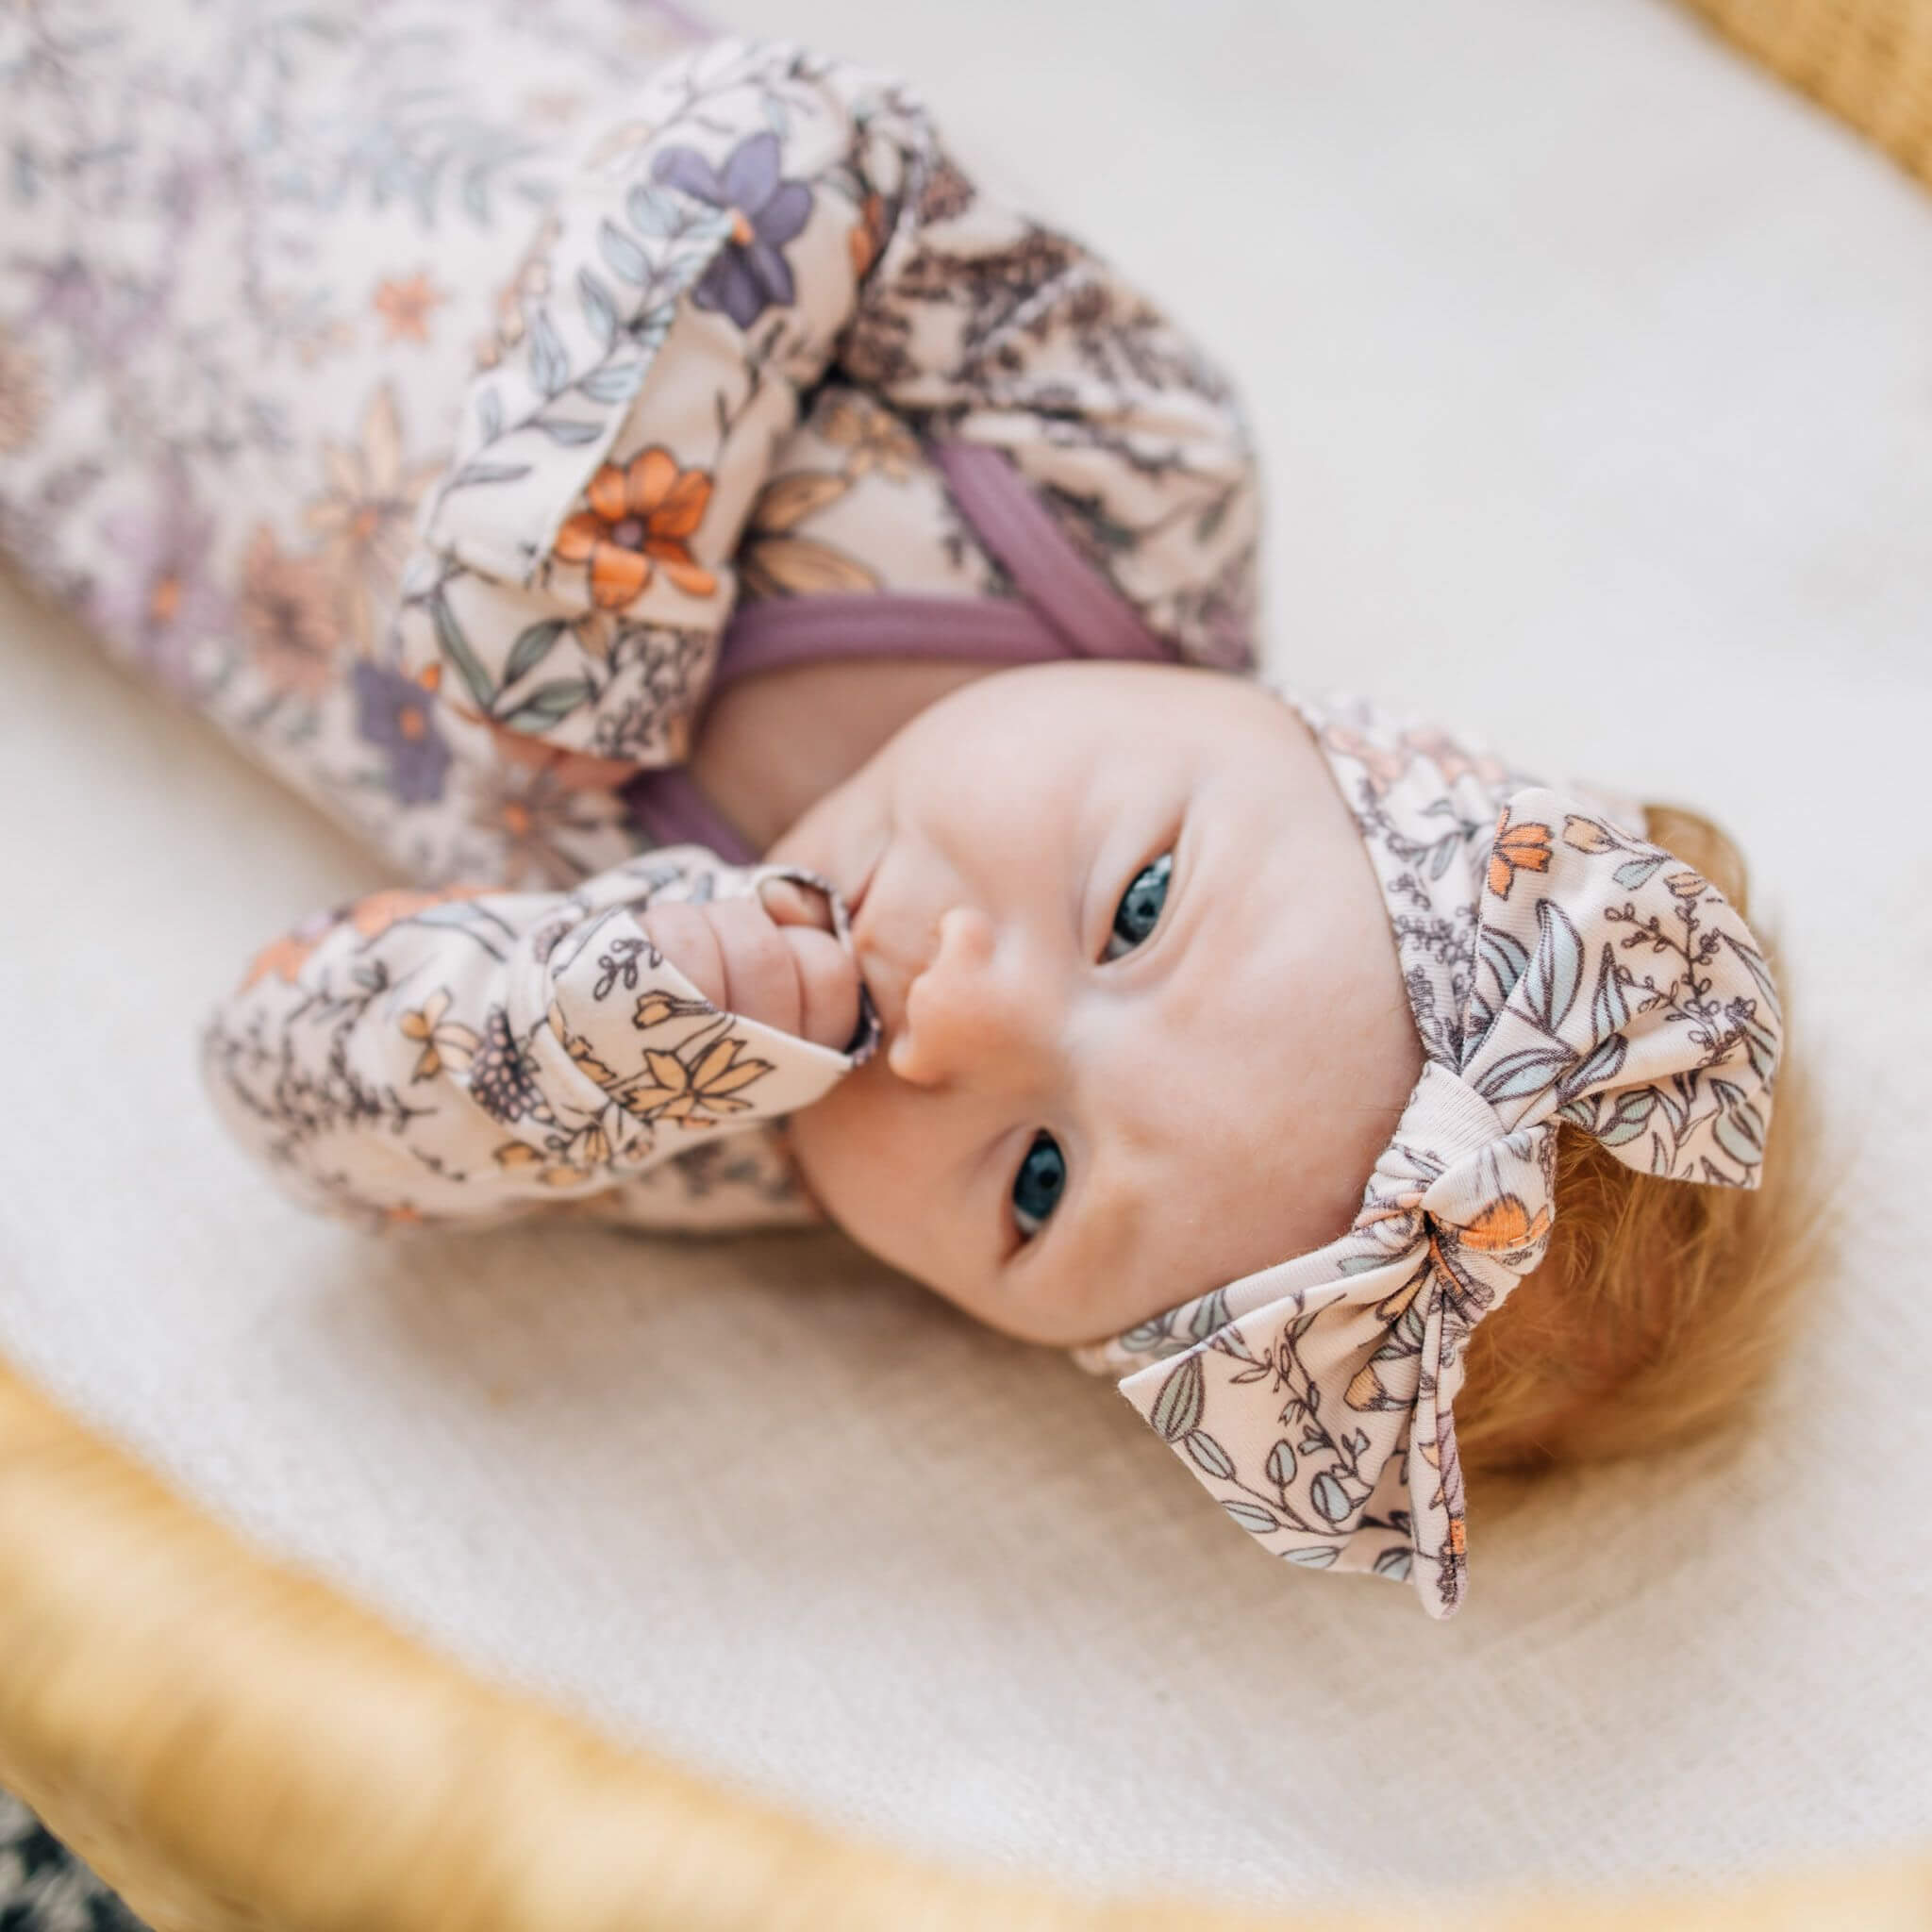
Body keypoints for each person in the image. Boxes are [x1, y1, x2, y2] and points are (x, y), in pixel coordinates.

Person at [4, 23, 1802, 1614]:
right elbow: (809, 135)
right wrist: (608, 522)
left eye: (1037, 1183)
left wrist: (607, 1030)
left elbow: (288, 1083)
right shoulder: (1124, 484)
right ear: (1332, 740)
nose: (955, 1018)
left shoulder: (729, 1125)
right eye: (1141, 905)